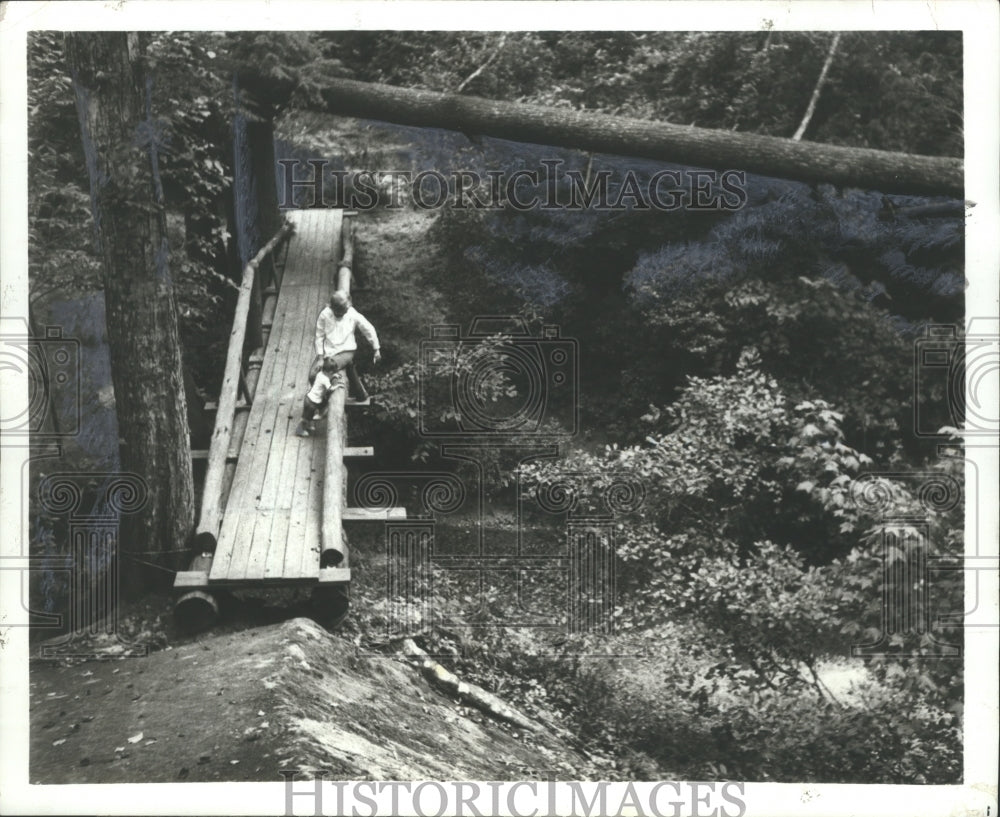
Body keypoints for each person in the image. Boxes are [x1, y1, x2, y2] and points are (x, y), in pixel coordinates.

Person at [310, 290, 381, 401]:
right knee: (312, 375)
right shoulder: (325, 315)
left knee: (327, 368)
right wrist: (320, 358)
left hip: (346, 351)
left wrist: (376, 348)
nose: (343, 314)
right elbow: (319, 336)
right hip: (329, 351)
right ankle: (360, 394)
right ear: (333, 308)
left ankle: (325, 401)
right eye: (340, 312)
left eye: (345, 311)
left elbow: (368, 328)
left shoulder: (351, 313)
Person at [296, 356, 338, 438]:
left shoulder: (320, 374)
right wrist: (337, 386)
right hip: (313, 402)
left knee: (309, 415)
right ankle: (299, 430)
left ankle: (308, 425)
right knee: (306, 418)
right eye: (331, 373)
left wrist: (334, 375)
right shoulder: (325, 379)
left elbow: (328, 377)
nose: (332, 375)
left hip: (308, 398)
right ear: (328, 372)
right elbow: (330, 389)